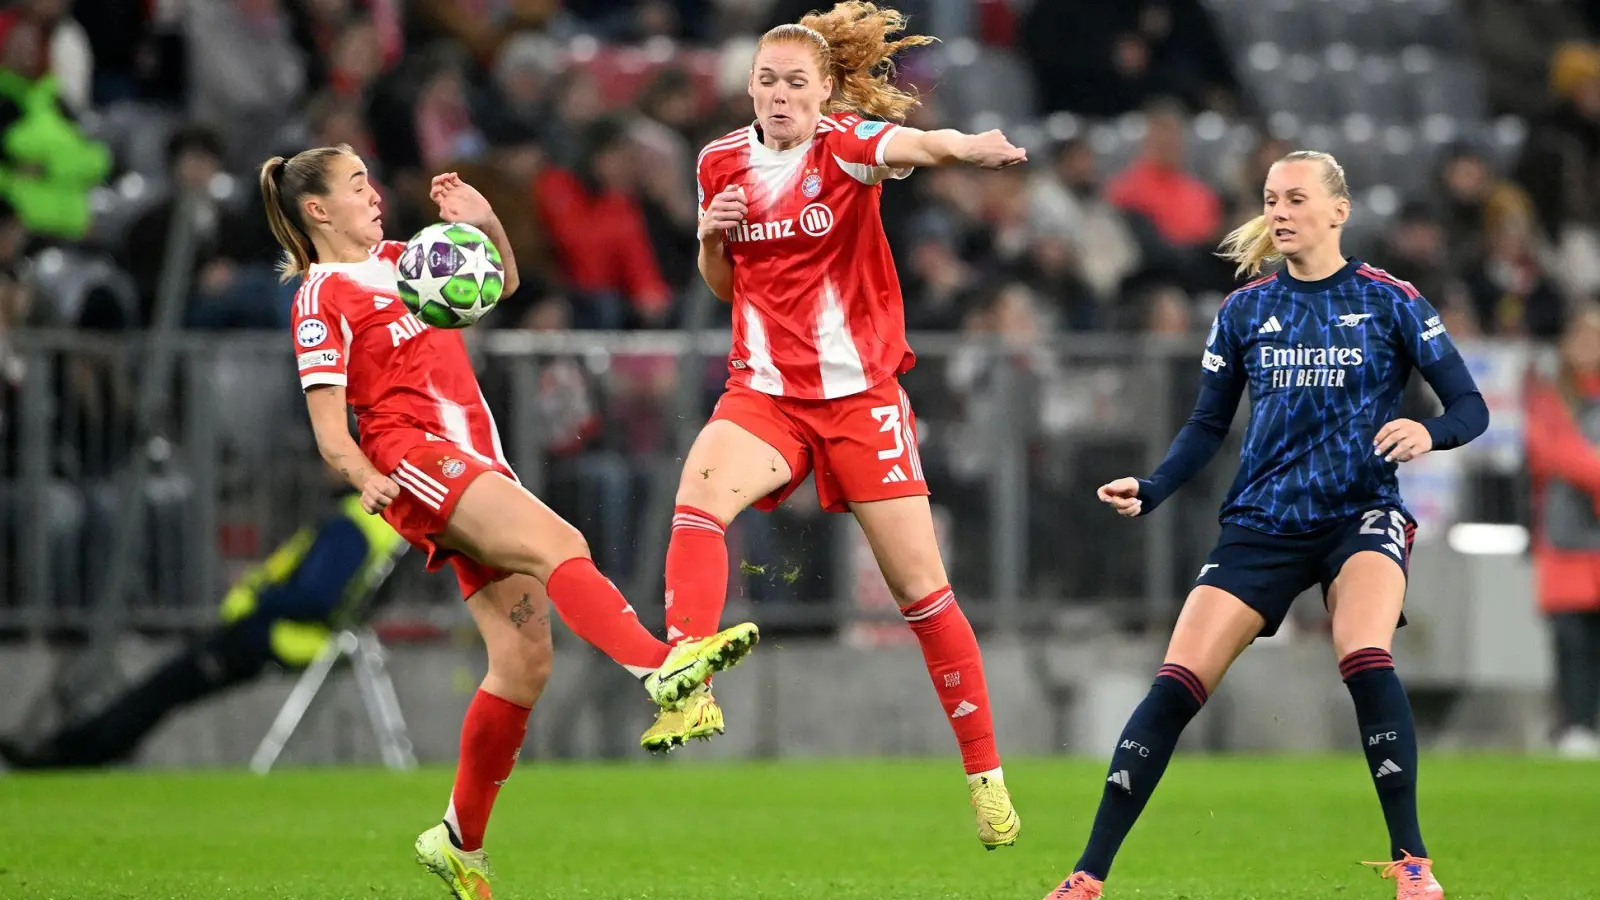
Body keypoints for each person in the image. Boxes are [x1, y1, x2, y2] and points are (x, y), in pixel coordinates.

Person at [257, 144, 761, 900]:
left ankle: (458, 840)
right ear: (319, 210)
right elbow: (332, 429)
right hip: (416, 460)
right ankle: (660, 672)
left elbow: (502, 282)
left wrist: (485, 221)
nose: (376, 193)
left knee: (524, 660)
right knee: (562, 543)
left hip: (476, 460)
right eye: (358, 183)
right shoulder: (321, 297)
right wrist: (364, 476)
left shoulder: (408, 257)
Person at [1045, 150, 1490, 900]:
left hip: (1361, 513)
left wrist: (1430, 434)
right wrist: (1152, 488)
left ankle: (1413, 863)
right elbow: (1205, 426)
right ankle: (1087, 876)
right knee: (1175, 684)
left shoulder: (1391, 300)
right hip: (1263, 521)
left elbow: (1470, 408)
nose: (1279, 212)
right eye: (1270, 200)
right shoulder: (1246, 310)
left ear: (1337, 210)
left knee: (1364, 652)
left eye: (1294, 199)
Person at [641, 1, 1027, 850]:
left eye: (797, 84)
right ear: (750, 86)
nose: (781, 96)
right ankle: (687, 677)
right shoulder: (718, 164)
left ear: (824, 94)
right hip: (767, 394)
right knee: (698, 494)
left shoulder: (843, 147)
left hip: (860, 401)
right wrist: (709, 242)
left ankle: (987, 780)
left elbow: (914, 146)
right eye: (768, 81)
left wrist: (968, 146)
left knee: (921, 595)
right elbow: (726, 287)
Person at [0, 492, 406, 769]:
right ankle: (74, 749)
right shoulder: (385, 526)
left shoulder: (353, 523)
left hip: (272, 635)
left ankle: (70, 755)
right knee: (165, 688)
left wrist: (262, 594)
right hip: (293, 637)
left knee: (164, 687)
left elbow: (317, 597)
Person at [1524, 307, 1600, 758]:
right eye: (1582, 337)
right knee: (1571, 642)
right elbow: (1551, 451)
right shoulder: (1550, 396)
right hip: (1565, 544)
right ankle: (1574, 726)